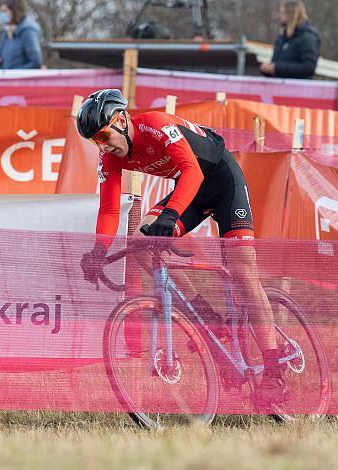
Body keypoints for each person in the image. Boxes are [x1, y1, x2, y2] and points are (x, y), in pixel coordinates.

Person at [77, 89, 287, 406]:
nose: (103, 145)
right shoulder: (111, 157)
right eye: (95, 141)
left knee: (242, 269)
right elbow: (108, 210)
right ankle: (206, 315)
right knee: (142, 244)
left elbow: (193, 170)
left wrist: (172, 214)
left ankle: (274, 372)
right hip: (191, 192)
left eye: (104, 135)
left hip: (221, 181)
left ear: (121, 120)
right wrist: (98, 250)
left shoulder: (156, 126)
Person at [260, 1, 320, 79]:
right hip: (280, 88)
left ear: (291, 14)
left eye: (282, 13)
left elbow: (309, 68)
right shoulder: (282, 38)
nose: (279, 16)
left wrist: (278, 68)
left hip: (298, 89)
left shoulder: (308, 38)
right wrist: (267, 70)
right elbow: (277, 66)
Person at [0, 0, 43, 70]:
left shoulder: (28, 31)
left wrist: (13, 74)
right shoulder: (6, 32)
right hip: (5, 79)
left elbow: (35, 63)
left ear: (14, 11)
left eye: (5, 11)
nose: (2, 15)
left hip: (20, 79)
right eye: (1, 11)